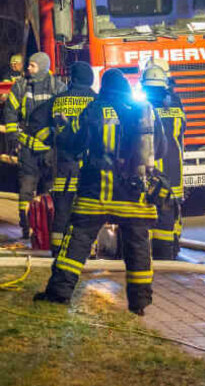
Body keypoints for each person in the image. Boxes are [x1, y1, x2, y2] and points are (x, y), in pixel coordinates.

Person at [35, 68, 165, 315]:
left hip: (96, 195)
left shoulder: (95, 109)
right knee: (138, 249)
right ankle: (139, 304)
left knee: (76, 244)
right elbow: (161, 150)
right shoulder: (145, 111)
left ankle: (59, 294)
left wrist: (62, 129)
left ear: (103, 87)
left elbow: (72, 144)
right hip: (135, 196)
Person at [0, 51, 65, 239]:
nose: (28, 68)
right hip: (27, 147)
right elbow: (10, 111)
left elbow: (62, 117)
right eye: (28, 65)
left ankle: (45, 227)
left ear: (43, 67)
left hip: (49, 149)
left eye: (32, 66)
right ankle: (25, 226)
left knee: (50, 189)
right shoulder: (20, 86)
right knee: (26, 189)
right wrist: (13, 137)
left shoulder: (58, 87)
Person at [46, 61, 96, 254]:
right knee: (86, 210)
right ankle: (87, 251)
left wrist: (52, 142)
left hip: (64, 165)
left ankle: (57, 250)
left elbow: (35, 123)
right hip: (89, 166)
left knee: (63, 208)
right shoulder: (96, 101)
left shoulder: (58, 100)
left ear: (72, 78)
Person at [141, 59, 186, 260]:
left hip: (151, 169)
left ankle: (153, 252)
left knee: (150, 210)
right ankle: (172, 250)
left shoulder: (142, 106)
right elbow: (182, 129)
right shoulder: (176, 103)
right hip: (174, 167)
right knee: (173, 210)